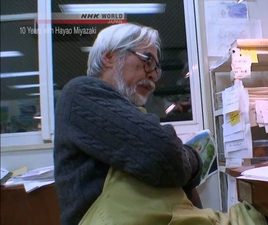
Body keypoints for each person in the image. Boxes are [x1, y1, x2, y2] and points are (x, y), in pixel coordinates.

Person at [54, 23, 203, 225]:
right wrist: (193, 157)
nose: (152, 74)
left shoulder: (124, 109)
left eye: (156, 68)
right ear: (109, 57)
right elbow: (164, 155)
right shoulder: (80, 93)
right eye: (147, 60)